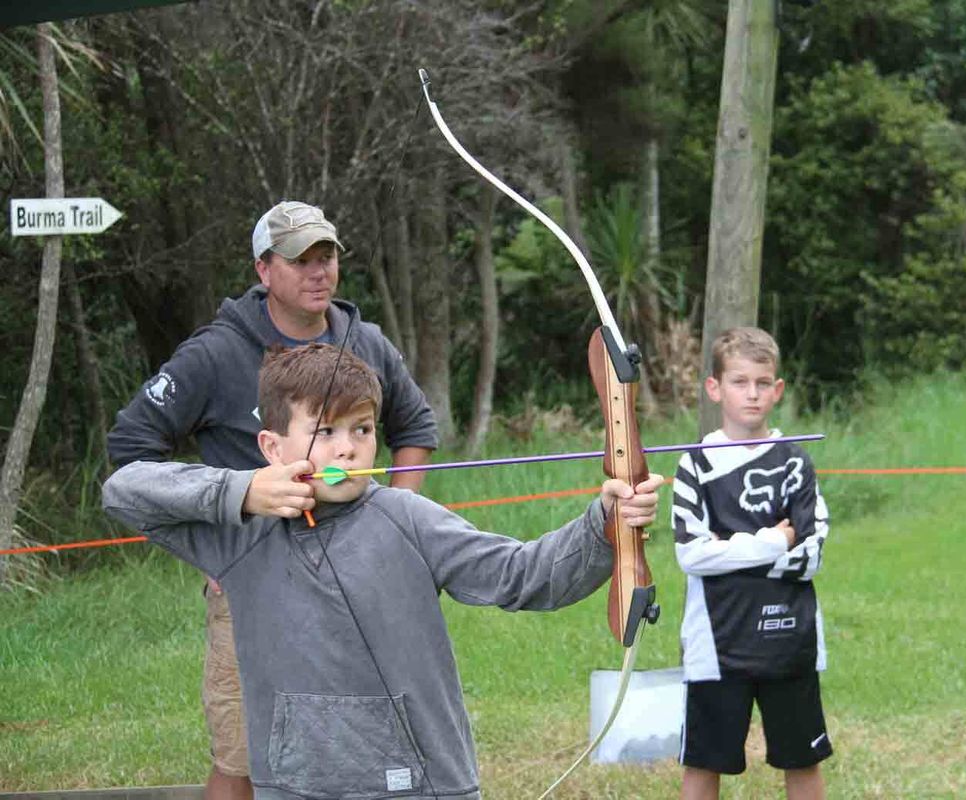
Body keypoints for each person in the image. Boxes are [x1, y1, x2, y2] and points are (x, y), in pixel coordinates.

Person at [103, 344, 664, 800]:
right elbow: (124, 491)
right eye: (325, 431)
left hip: (419, 784)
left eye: (363, 429)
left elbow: (524, 575)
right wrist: (242, 490)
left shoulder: (407, 518)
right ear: (272, 447)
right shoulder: (241, 534)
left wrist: (604, 524)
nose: (348, 449)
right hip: (295, 786)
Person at [106, 201, 438, 800]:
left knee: (363, 747)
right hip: (251, 584)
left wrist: (396, 522)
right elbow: (131, 452)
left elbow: (415, 427)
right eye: (300, 260)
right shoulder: (214, 354)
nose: (319, 272)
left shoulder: (365, 342)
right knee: (241, 757)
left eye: (326, 256)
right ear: (263, 270)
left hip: (358, 581)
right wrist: (216, 543)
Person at [672, 327, 832, 800]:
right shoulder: (695, 465)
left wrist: (728, 548)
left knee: (803, 760)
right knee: (703, 763)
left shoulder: (795, 462)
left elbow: (810, 555)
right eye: (739, 382)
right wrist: (771, 541)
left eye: (763, 383)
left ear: (777, 389)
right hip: (716, 645)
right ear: (715, 388)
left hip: (790, 640)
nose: (753, 394)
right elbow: (692, 554)